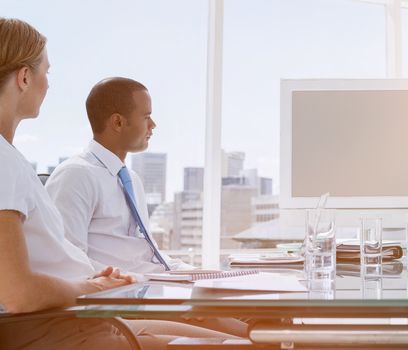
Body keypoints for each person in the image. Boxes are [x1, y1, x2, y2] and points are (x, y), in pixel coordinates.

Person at [0, 17, 235, 349]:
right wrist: (92, 287)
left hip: (85, 314)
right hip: (61, 326)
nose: (48, 85)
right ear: (25, 77)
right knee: (245, 341)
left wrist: (100, 285)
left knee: (247, 335)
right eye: (46, 73)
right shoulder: (7, 163)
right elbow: (18, 293)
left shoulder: (12, 160)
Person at [45, 76, 249, 336]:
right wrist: (147, 285)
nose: (153, 125)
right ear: (118, 122)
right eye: (146, 117)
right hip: (128, 301)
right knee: (246, 338)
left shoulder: (130, 179)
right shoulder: (76, 175)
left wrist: (205, 276)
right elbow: (69, 263)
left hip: (158, 292)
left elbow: (149, 256)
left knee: (264, 323)